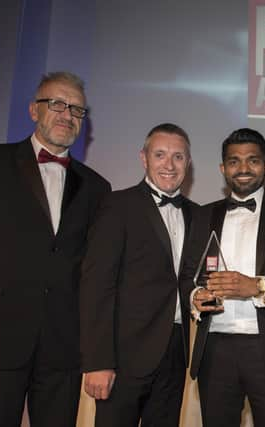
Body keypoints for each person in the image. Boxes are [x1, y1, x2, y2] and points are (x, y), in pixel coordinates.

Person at [0, 71, 111, 427]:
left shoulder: (97, 187)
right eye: (57, 104)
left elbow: (93, 265)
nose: (67, 115)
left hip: (63, 343)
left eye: (78, 110)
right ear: (33, 111)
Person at [185, 128, 265, 427]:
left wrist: (259, 287)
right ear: (222, 168)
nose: (243, 168)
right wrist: (195, 297)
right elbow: (187, 276)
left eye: (253, 160)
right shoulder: (202, 216)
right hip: (215, 350)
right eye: (234, 161)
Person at [79, 123, 199, 427]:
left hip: (175, 352)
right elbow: (96, 287)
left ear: (188, 162)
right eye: (160, 155)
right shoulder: (117, 206)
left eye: (178, 157)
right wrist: (98, 362)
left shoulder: (198, 214)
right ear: (143, 158)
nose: (169, 165)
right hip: (123, 357)